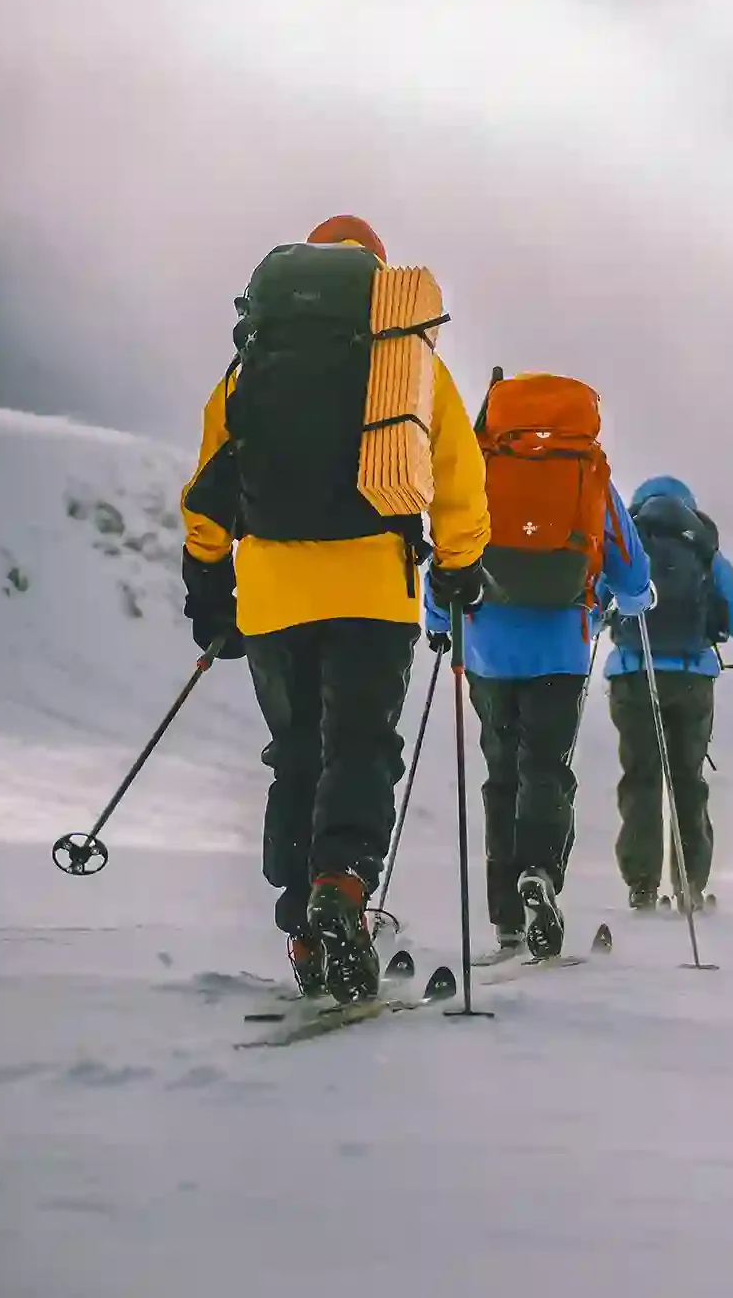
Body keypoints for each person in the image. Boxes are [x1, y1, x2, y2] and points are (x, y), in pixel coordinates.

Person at [180, 215, 489, 1002]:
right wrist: (460, 566)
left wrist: (209, 589)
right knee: (359, 745)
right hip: (372, 586)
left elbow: (213, 485)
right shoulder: (404, 360)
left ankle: (302, 934)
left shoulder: (250, 365)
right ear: (379, 282)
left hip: (274, 593)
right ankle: (342, 887)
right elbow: (456, 467)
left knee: (297, 751)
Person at [425, 372, 651, 962]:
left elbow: (451, 545)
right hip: (562, 648)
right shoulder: (588, 471)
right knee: (546, 767)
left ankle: (504, 917)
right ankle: (541, 875)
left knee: (502, 774)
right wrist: (631, 602)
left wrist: (440, 620)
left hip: (487, 646)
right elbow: (629, 569)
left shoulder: (482, 464)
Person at [604, 476, 733, 911]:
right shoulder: (704, 548)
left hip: (633, 676)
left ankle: (642, 886)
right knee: (686, 781)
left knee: (641, 778)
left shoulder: (626, 544)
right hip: (692, 679)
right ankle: (690, 886)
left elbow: (596, 604)